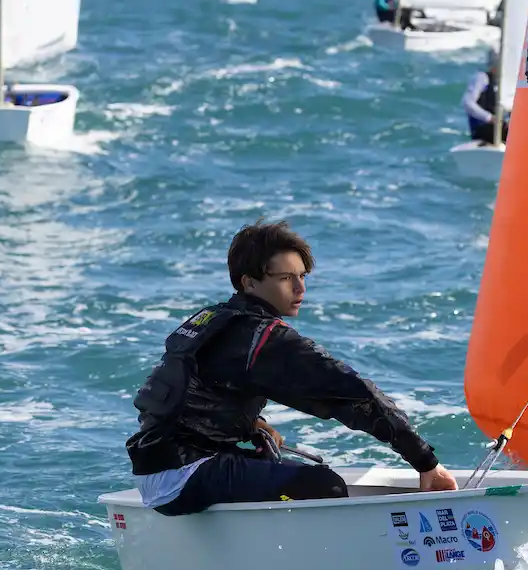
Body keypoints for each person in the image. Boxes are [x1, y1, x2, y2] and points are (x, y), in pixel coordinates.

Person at [125, 220, 459, 516]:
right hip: (186, 474)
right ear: (249, 282)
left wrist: (250, 422)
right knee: (324, 485)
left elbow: (185, 394)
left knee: (275, 464)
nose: (300, 289)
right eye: (286, 278)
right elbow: (353, 394)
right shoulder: (263, 338)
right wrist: (425, 462)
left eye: (302, 276)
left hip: (157, 471)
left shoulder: (214, 320)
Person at [462, 46, 508, 145]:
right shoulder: (482, 78)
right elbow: (467, 103)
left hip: (498, 128)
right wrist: (489, 118)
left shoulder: (502, 83)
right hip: (482, 129)